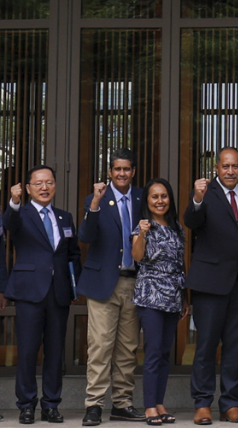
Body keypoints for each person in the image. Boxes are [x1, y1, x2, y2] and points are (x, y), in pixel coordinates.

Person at [184, 147, 238, 425]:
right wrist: (196, 198)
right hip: (210, 284)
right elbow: (191, 222)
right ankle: (202, 403)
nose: (230, 171)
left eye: (235, 166)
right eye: (225, 166)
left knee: (235, 348)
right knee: (205, 347)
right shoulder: (205, 193)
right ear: (216, 168)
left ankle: (230, 403)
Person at [4, 165, 80, 424]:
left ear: (55, 186)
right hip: (29, 292)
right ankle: (26, 405)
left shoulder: (65, 217)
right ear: (28, 189)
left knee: (55, 352)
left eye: (48, 182)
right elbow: (9, 225)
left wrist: (74, 285)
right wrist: (14, 203)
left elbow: (72, 254)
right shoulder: (20, 214)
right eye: (38, 183)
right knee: (27, 351)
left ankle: (51, 405)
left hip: (58, 292)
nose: (44, 187)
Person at [78, 148, 147, 425]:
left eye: (126, 169)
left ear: (133, 171)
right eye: (117, 169)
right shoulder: (96, 198)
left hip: (133, 282)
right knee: (100, 347)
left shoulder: (142, 197)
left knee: (128, 348)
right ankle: (93, 405)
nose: (122, 173)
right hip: (103, 284)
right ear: (109, 172)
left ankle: (122, 403)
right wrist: (94, 203)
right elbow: (85, 236)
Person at [131, 178, 190, 426]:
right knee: (153, 352)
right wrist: (142, 234)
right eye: (154, 197)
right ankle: (149, 406)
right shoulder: (142, 226)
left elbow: (180, 264)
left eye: (164, 196)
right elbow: (137, 256)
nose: (159, 201)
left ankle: (160, 403)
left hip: (173, 297)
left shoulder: (177, 227)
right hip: (151, 296)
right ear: (147, 201)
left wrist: (185, 297)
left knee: (165, 354)